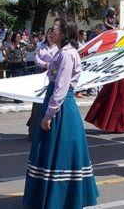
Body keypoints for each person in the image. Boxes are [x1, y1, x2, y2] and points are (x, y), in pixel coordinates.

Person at [22, 17, 99, 208]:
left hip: (61, 107)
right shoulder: (61, 52)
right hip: (57, 103)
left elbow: (62, 87)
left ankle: (59, 200)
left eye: (55, 29)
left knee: (58, 153)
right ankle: (50, 197)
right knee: (51, 152)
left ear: (65, 33)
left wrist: (49, 114)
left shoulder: (66, 54)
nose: (51, 32)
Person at [26, 28, 58, 140]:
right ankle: (34, 130)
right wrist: (45, 64)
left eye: (51, 33)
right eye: (48, 34)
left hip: (53, 74)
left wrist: (51, 66)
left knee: (50, 101)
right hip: (41, 72)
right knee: (38, 102)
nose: (49, 35)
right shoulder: (41, 46)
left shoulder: (59, 47)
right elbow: (36, 57)